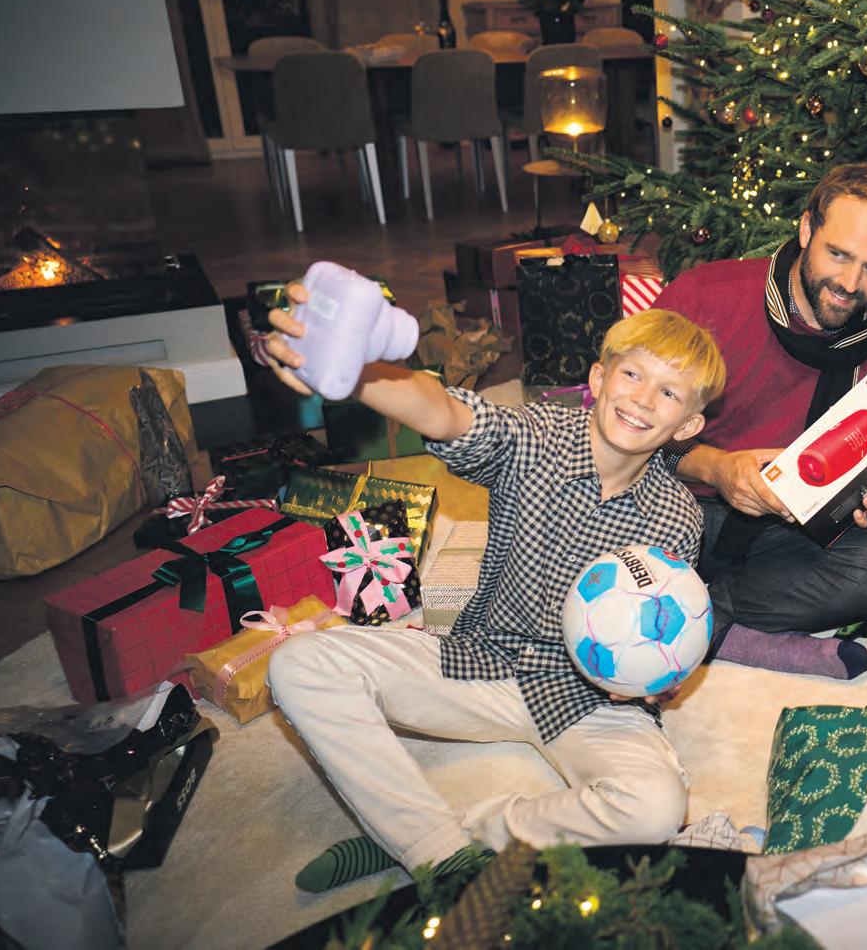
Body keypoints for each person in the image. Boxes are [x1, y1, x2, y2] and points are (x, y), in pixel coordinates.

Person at [260, 301, 726, 892]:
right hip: (482, 660)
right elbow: (447, 414)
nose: (642, 399)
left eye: (669, 393)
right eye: (632, 374)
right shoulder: (534, 437)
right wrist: (358, 373)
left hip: (587, 695)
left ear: (687, 426)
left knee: (656, 809)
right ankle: (434, 851)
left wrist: (654, 677)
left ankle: (438, 834)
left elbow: (665, 626)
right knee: (299, 663)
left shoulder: (678, 517)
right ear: (599, 377)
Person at [653, 162, 867, 680]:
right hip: (672, 501)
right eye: (838, 254)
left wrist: (863, 504)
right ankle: (726, 632)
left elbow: (839, 507)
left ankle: (698, 616)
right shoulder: (708, 296)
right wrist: (716, 468)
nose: (849, 283)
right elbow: (622, 428)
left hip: (776, 532)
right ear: (806, 229)